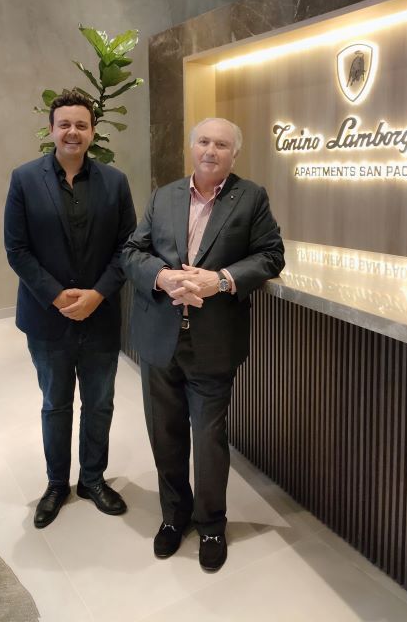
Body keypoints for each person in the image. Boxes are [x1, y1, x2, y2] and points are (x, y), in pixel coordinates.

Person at [122, 117, 284, 572]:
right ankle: (174, 516)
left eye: (222, 144)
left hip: (213, 341)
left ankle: (211, 523)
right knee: (165, 432)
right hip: (160, 335)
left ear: (236, 153)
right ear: (192, 147)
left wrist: (222, 280)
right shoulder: (164, 196)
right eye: (204, 142)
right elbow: (132, 252)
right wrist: (162, 276)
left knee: (209, 437)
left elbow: (271, 254)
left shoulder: (250, 197)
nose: (212, 150)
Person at [4, 89, 136, 528]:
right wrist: (57, 296)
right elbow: (17, 249)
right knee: (56, 403)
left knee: (99, 403)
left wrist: (97, 294)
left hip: (101, 316)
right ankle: (57, 483)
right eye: (65, 124)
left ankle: (93, 480)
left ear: (93, 131)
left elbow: (128, 248)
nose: (72, 132)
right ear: (51, 129)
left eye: (81, 124)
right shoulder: (24, 179)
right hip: (47, 318)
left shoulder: (115, 182)